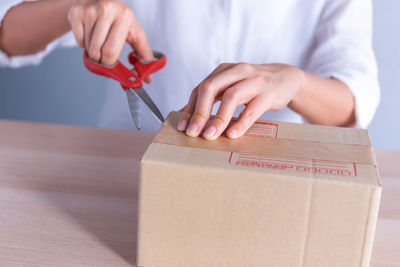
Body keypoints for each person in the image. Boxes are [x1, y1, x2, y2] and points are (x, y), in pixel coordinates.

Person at [0, 0, 380, 140]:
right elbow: (7, 34)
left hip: (268, 178)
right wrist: (74, 8)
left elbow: (352, 104)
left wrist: (294, 82)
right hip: (124, 168)